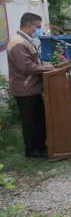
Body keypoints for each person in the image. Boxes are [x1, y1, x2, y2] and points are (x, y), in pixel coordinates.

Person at [7, 13, 54, 158]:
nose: (39, 30)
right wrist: (47, 68)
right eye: (38, 27)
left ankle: (40, 146)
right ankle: (32, 150)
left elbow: (34, 63)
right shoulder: (18, 42)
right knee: (30, 121)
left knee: (38, 118)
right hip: (24, 89)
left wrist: (46, 65)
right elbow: (27, 67)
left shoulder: (25, 40)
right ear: (29, 26)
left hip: (32, 88)